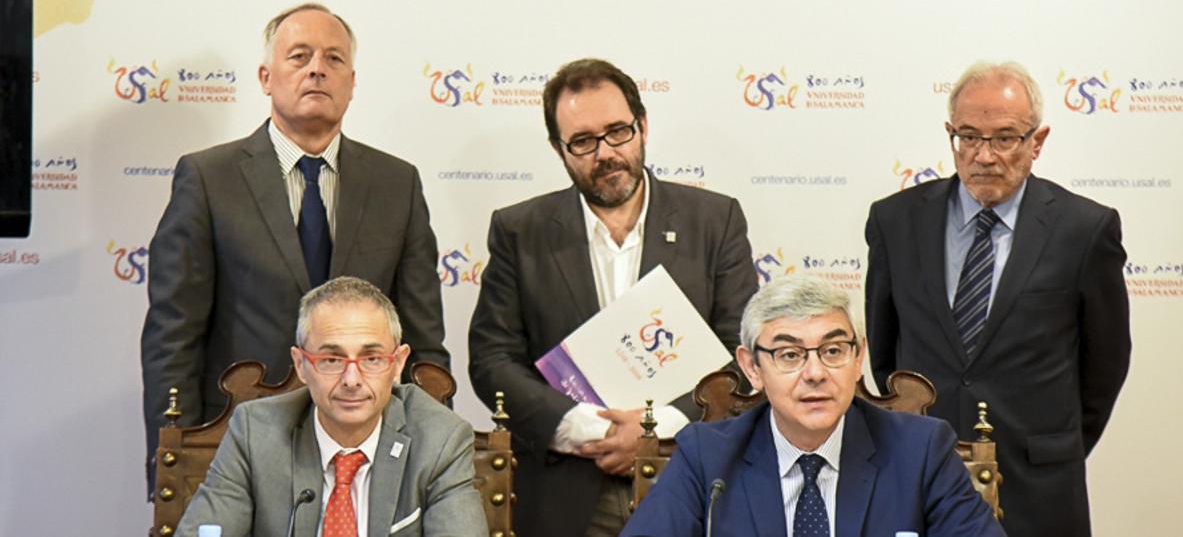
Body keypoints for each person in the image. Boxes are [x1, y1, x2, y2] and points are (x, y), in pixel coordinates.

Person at [141, 3, 449, 491]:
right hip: (236, 447)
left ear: (352, 81)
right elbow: (172, 337)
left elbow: (424, 340)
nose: (316, 69)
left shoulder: (397, 184)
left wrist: (435, 461)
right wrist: (173, 458)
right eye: (299, 56)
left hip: (368, 456)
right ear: (266, 76)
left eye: (333, 59)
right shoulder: (207, 178)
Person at [468, 58, 758, 537]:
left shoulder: (715, 220)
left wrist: (655, 428)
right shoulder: (520, 230)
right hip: (568, 488)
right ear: (559, 150)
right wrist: (586, 429)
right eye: (582, 141)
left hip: (690, 477)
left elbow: (742, 354)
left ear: (643, 126)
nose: (604, 153)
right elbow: (491, 360)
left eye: (618, 132)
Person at [864, 61, 1131, 537]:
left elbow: (1104, 364)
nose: (984, 156)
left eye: (1004, 138)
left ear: (1037, 141)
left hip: (1039, 485)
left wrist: (1054, 445)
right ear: (951, 134)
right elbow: (886, 355)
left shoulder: (1084, 230)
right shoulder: (895, 222)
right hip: (921, 478)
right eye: (968, 137)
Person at [622, 274, 1003, 537]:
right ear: (752, 368)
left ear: (858, 360)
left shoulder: (921, 450)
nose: (815, 372)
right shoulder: (707, 457)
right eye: (789, 355)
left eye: (833, 350)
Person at [176, 276, 486, 537]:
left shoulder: (441, 439)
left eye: (372, 359)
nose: (352, 379)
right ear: (301, 364)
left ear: (398, 363)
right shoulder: (256, 431)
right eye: (331, 360)